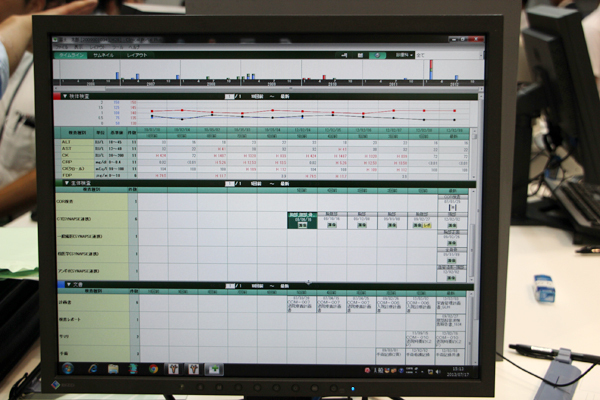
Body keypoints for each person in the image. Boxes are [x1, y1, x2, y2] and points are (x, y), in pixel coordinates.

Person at [0, 0, 97, 219]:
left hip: (20, 220)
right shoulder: (14, 53)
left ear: (35, 5)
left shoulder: (74, 65)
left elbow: (71, 163)